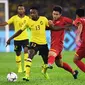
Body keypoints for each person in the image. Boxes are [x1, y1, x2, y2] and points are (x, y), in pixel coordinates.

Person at [45, 6, 78, 79]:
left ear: (60, 15)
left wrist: (69, 26)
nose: (55, 16)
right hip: (54, 44)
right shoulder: (51, 22)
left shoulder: (64, 19)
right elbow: (46, 28)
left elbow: (75, 23)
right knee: (59, 64)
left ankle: (49, 64)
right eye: (54, 14)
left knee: (51, 53)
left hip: (58, 44)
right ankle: (74, 72)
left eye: (57, 14)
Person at [0, 4, 29, 73]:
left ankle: (25, 67)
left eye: (22, 9)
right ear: (17, 10)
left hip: (25, 38)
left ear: (24, 10)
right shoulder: (14, 18)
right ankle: (19, 68)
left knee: (26, 51)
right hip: (17, 39)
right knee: (18, 53)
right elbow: (5, 23)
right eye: (19, 9)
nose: (21, 10)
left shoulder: (27, 18)